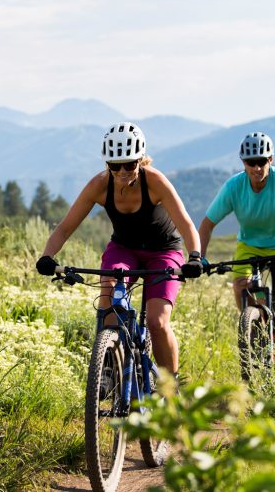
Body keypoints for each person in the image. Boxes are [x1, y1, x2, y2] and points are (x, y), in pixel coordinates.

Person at [35, 122, 202, 379]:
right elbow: (65, 228)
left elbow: (186, 224)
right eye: (115, 166)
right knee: (110, 289)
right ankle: (109, 366)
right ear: (107, 165)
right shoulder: (99, 186)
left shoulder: (155, 181)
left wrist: (195, 257)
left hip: (163, 251)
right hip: (124, 249)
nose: (123, 171)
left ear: (141, 160)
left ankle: (171, 388)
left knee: (157, 322)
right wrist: (47, 257)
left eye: (130, 164)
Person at [197, 132, 275, 370]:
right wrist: (198, 256)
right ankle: (255, 326)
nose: (256, 167)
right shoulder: (234, 186)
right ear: (243, 162)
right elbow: (207, 224)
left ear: (271, 160)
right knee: (241, 285)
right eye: (250, 162)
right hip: (251, 244)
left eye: (262, 161)